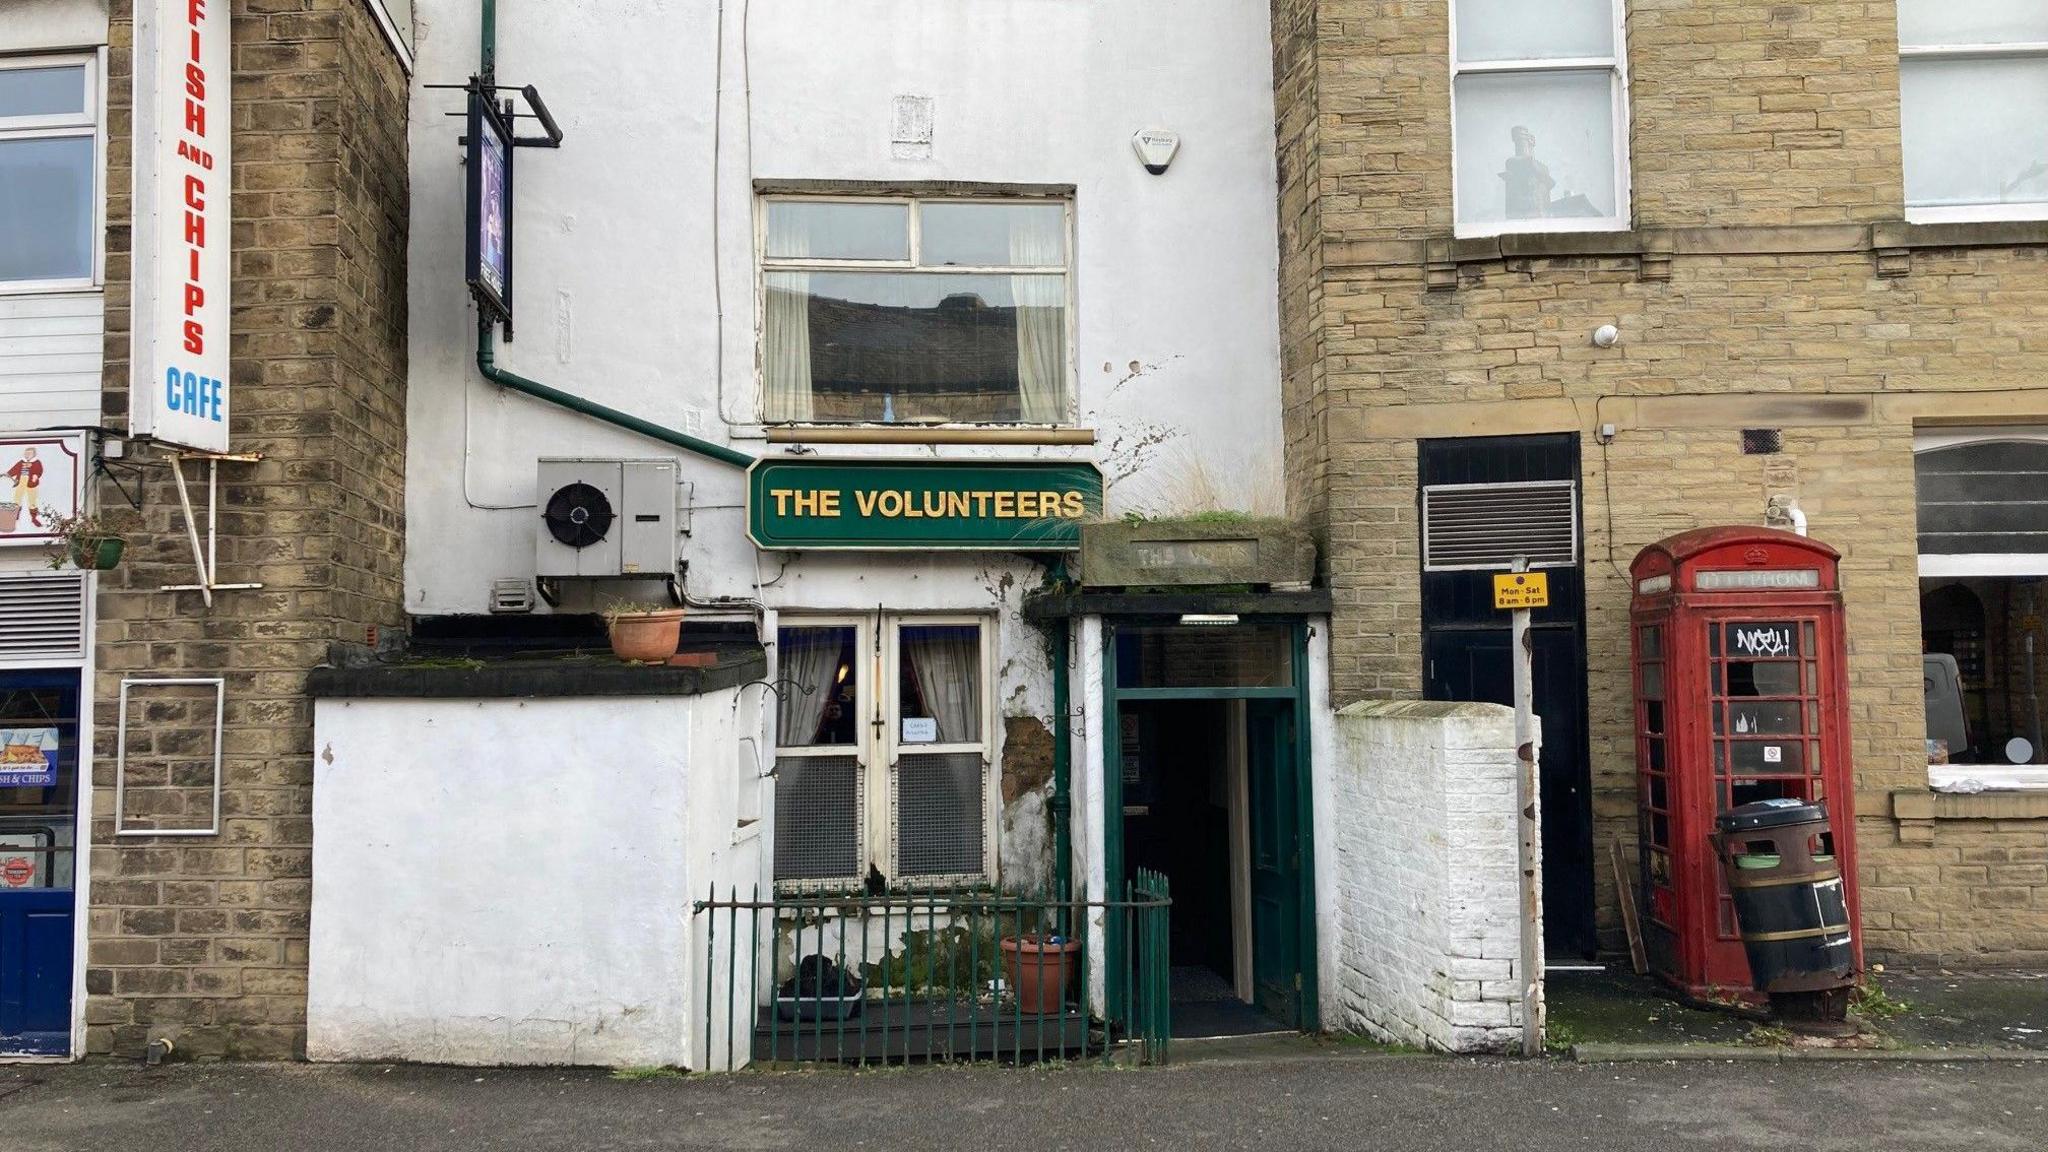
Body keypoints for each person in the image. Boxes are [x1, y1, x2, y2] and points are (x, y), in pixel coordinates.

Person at [1500, 125, 1554, 220]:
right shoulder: (1512, 162)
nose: (1520, 144)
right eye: (1518, 140)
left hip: (1538, 215)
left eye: (1522, 140)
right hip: (1518, 216)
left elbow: (1550, 184)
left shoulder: (1540, 166)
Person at [5, 447, 43, 528]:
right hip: (21, 481)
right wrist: (9, 473)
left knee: (32, 500)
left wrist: (36, 476)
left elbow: (39, 470)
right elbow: (15, 468)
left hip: (31, 483)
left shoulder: (36, 462)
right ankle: (16, 515)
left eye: (29, 453)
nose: (27, 455)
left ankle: (34, 518)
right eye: (26, 453)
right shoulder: (21, 462)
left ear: (34, 455)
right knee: (17, 498)